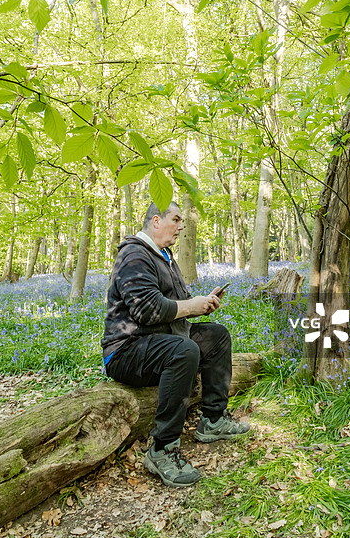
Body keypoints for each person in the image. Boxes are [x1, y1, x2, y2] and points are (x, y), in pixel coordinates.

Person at [101, 200, 250, 488]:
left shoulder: (165, 255)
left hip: (164, 337)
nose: (181, 226)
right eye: (176, 219)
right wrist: (190, 307)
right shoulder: (134, 255)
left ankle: (213, 420)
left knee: (216, 336)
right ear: (156, 221)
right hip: (127, 349)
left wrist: (200, 304)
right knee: (184, 351)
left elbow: (174, 303)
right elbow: (146, 310)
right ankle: (162, 448)